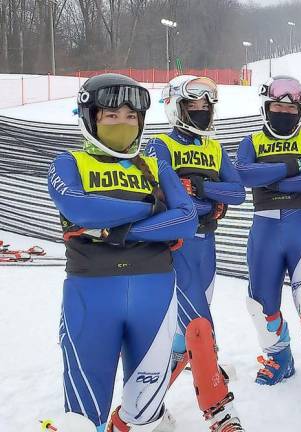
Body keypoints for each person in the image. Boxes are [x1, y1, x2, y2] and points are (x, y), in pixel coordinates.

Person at [46, 73, 198, 431]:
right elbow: (78, 208)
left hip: (155, 296)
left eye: (131, 116)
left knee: (145, 417)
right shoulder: (69, 163)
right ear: (91, 118)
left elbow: (187, 219)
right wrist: (153, 208)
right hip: (91, 295)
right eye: (111, 116)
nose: (123, 124)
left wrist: (112, 230)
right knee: (83, 419)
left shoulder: (155, 165)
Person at [234, 75, 301, 411]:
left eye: (289, 107)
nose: (283, 112)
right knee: (260, 303)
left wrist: (269, 175)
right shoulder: (251, 140)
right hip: (265, 227)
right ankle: (280, 359)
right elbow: (244, 175)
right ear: (266, 108)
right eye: (277, 106)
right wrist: (294, 166)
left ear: (300, 109)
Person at [145, 75, 246, 431]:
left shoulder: (215, 148)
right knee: (200, 325)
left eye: (206, 107)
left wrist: (203, 189)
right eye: (193, 106)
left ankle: (141, 410)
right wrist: (210, 201)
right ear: (177, 107)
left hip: (207, 246)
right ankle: (219, 412)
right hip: (177, 246)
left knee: (183, 337)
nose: (201, 112)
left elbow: (238, 193)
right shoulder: (159, 145)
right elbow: (170, 197)